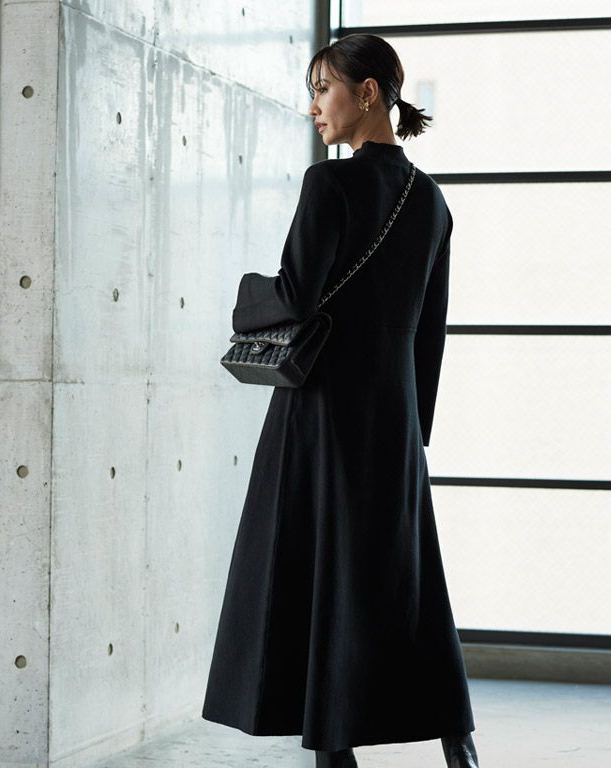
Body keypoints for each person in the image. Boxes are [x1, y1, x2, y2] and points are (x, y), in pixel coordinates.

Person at [201, 33, 481, 768]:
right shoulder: (433, 200)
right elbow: (430, 329)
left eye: (323, 88)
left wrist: (245, 297)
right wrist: (413, 427)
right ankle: (455, 735)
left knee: (314, 568)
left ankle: (335, 750)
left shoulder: (328, 184)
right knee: (404, 580)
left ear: (367, 92)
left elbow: (296, 294)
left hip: (320, 410)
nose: (314, 107)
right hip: (394, 417)